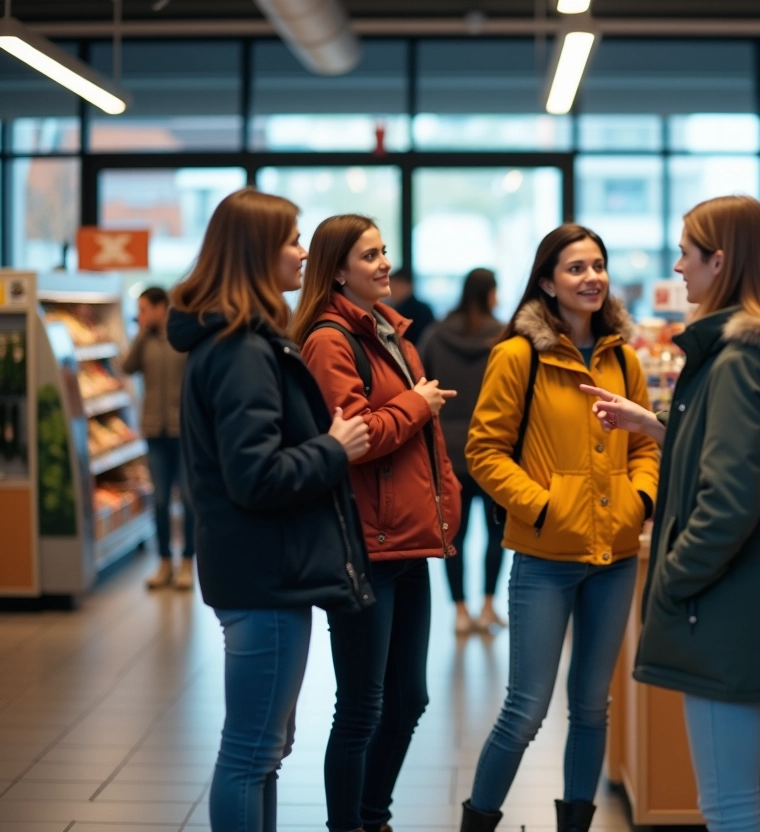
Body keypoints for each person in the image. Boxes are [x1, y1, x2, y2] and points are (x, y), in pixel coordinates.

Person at [581, 195, 760, 832]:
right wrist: (658, 428)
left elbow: (729, 502)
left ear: (721, 260)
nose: (678, 266)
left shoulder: (735, 364)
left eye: (686, 252)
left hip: (728, 610)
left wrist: (673, 581)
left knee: (731, 807)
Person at [167, 189, 374, 832]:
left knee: (264, 751)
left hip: (259, 569)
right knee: (253, 752)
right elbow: (255, 475)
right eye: (291, 240)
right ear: (258, 253)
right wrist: (333, 448)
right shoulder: (241, 350)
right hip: (267, 573)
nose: (303, 252)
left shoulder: (238, 341)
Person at [461, 224, 659, 832]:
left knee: (593, 708)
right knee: (525, 709)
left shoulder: (623, 356)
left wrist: (642, 501)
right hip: (545, 559)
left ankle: (575, 825)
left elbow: (646, 443)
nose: (591, 277)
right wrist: (544, 508)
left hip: (615, 555)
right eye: (575, 268)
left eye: (597, 265)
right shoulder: (519, 354)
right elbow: (484, 450)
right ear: (547, 281)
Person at [292, 215, 462, 832]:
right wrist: (417, 403)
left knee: (408, 699)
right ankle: (354, 825)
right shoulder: (329, 340)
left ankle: (372, 815)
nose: (384, 263)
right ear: (337, 270)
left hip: (408, 543)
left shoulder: (395, 336)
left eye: (384, 251)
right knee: (363, 706)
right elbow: (356, 438)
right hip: (366, 544)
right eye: (369, 255)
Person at [419, 268, 507, 634]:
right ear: (489, 294)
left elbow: (419, 385)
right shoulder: (503, 338)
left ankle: (458, 611)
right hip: (492, 446)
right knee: (496, 532)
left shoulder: (435, 335)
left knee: (453, 534)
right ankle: (488, 606)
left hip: (447, 450)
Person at [122, 285, 196, 590]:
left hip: (184, 432)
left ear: (160, 307)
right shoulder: (146, 341)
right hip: (154, 431)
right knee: (161, 500)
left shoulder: (184, 341)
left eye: (144, 309)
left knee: (189, 501)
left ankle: (187, 563)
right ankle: (165, 562)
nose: (140, 315)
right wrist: (141, 333)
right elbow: (127, 367)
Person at [383, 269, 435, 346]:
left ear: (407, 285)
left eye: (394, 286)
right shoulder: (424, 308)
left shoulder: (417, 311)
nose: (390, 291)